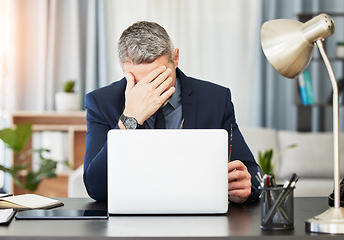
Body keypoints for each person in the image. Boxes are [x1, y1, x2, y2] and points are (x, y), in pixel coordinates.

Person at [83, 21, 261, 204]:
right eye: (138, 82)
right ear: (123, 69)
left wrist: (245, 186)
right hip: (131, 219)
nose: (150, 90)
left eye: (159, 78)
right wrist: (130, 118)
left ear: (175, 58)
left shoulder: (215, 99)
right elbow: (96, 189)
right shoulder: (101, 103)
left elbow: (252, 172)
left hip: (198, 216)